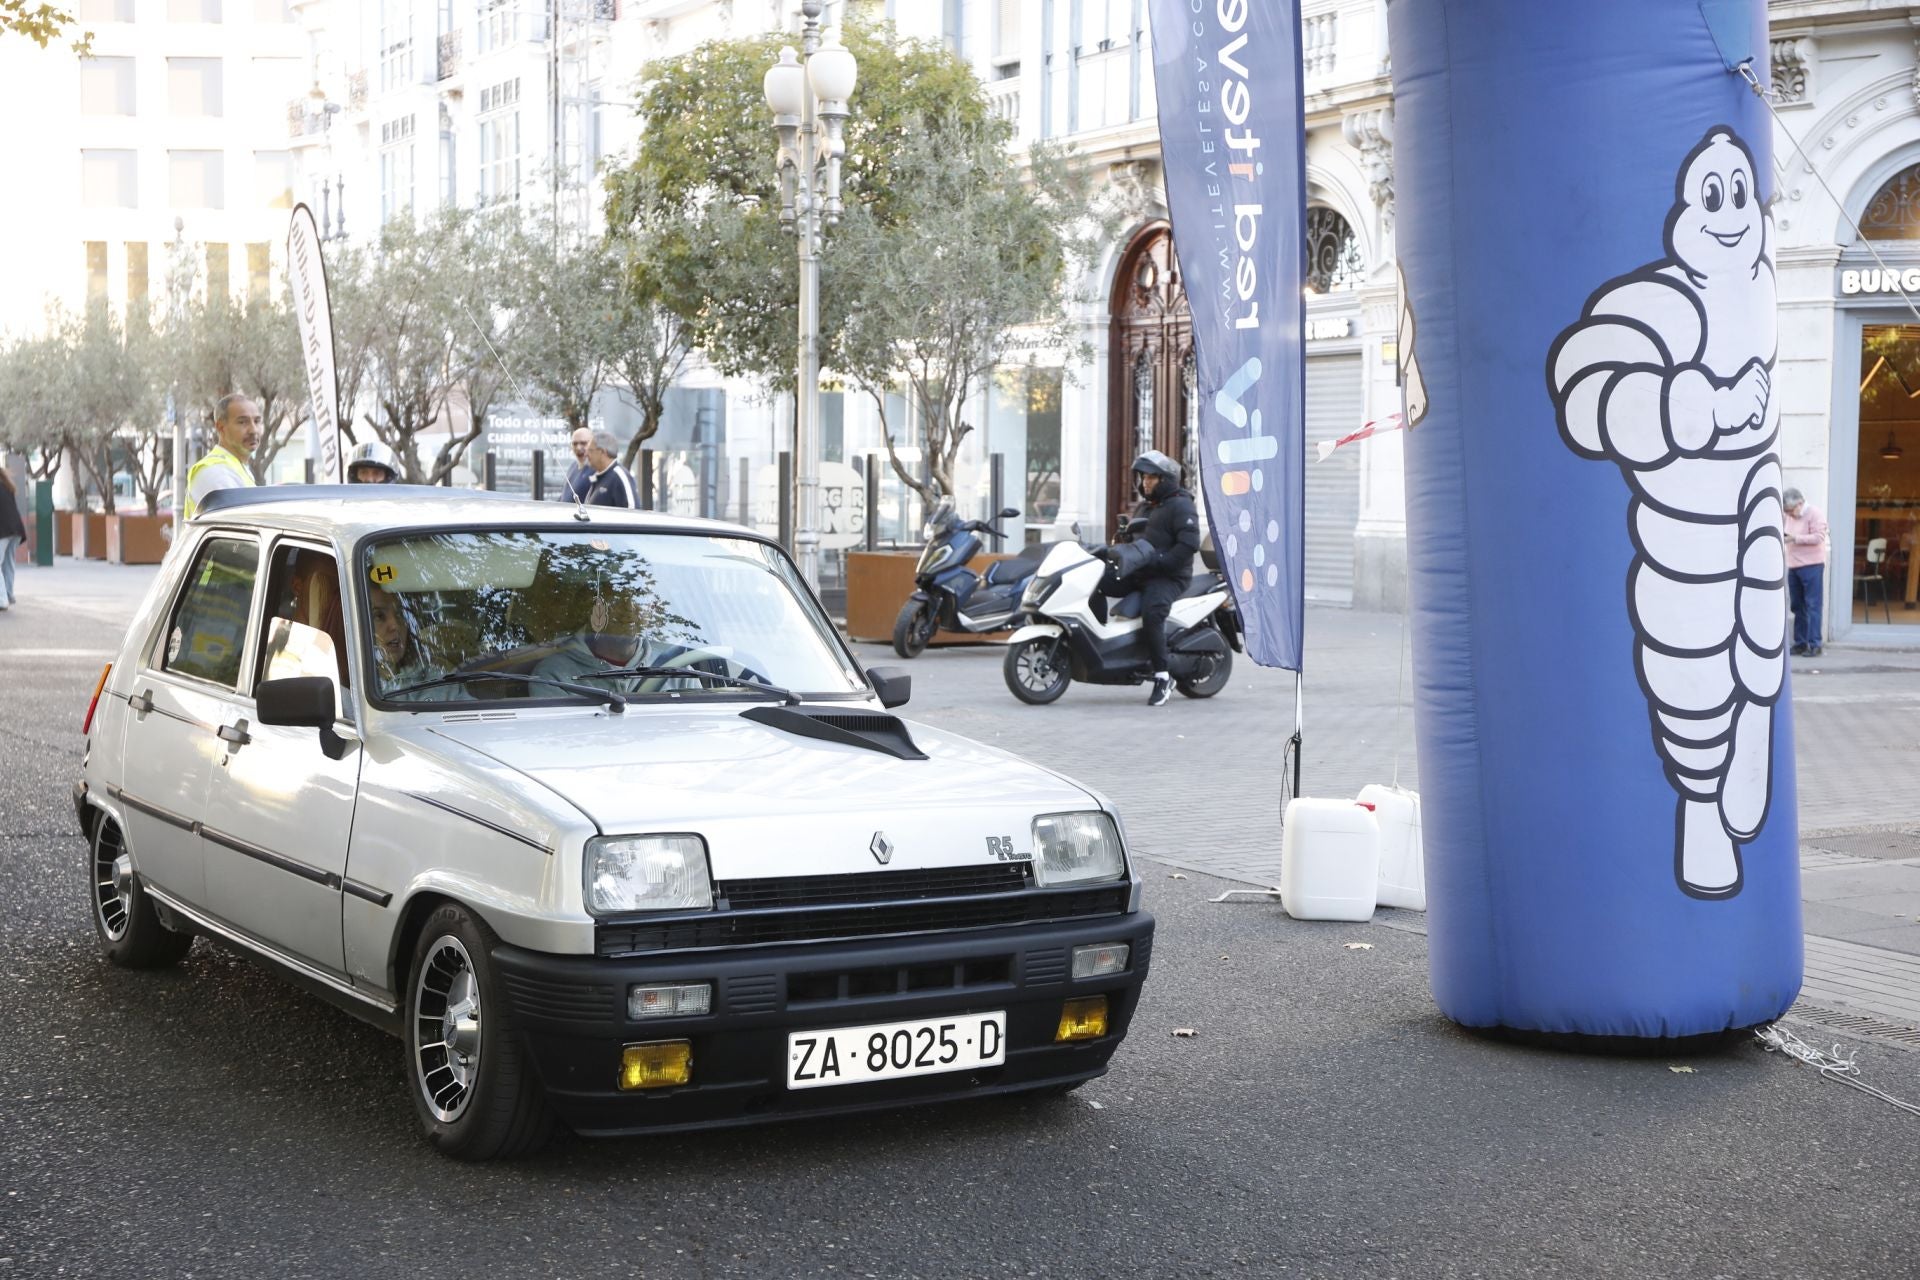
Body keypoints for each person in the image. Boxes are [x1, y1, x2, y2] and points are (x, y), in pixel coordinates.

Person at [1110, 450, 1202, 707]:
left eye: (1152, 478)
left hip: (1169, 577)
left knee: (1152, 613)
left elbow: (1189, 545)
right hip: (1141, 571)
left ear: (1166, 479)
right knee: (1102, 582)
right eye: (1143, 478)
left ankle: (1162, 676)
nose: (1145, 483)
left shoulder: (1181, 505)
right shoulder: (1147, 506)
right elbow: (1138, 536)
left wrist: (1161, 562)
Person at [531, 586, 653, 692]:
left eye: (640, 596)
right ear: (592, 608)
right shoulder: (554, 674)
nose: (629, 608)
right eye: (617, 598)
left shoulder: (667, 663)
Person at [184, 393, 262, 519]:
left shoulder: (236, 466)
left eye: (257, 421)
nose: (253, 430)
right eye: (242, 422)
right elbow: (239, 527)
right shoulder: (214, 471)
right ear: (221, 427)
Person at [1784, 486, 1829, 658]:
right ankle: (1800, 643)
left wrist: (1795, 538)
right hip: (1794, 565)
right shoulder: (1789, 515)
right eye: (1786, 511)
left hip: (1812, 565)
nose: (1788, 514)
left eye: (1790, 510)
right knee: (1797, 606)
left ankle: (1815, 644)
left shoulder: (1815, 514)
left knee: (1813, 606)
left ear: (1800, 503)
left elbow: (1819, 537)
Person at [368, 585, 438, 686]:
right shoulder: (343, 692)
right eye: (379, 616)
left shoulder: (433, 680)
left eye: (400, 613)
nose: (395, 625)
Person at [582, 429, 638, 507]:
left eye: (590, 450)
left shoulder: (619, 476)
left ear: (602, 452)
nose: (586, 454)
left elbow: (632, 510)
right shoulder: (598, 477)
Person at [0, 466, 26, 611]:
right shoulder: (6, 485)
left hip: (3, 530)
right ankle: (8, 595)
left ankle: (2, 600)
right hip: (15, 530)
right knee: (8, 564)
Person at [561, 427, 593, 502]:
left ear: (593, 444)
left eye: (583, 443)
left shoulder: (597, 470)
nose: (578, 447)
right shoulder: (573, 466)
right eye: (574, 444)